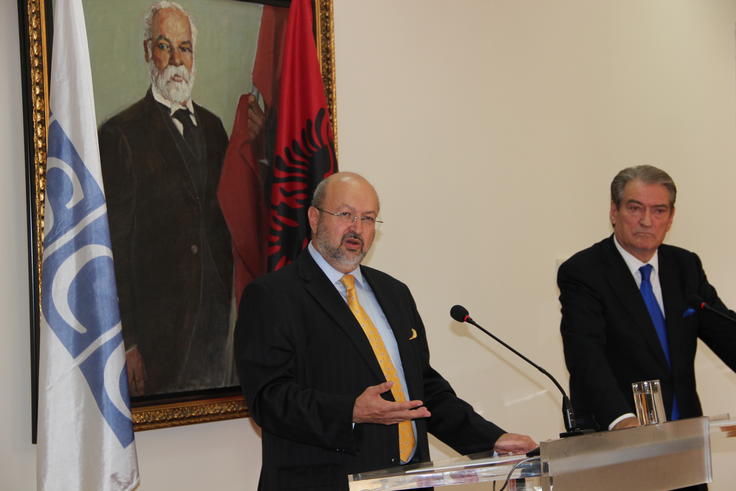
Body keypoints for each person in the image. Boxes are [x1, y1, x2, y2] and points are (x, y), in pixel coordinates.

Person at [235, 172, 537, 491]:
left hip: (409, 483)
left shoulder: (394, 293)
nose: (357, 228)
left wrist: (491, 440)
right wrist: (350, 411)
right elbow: (268, 399)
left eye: (368, 218)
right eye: (346, 214)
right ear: (314, 217)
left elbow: (422, 390)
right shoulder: (272, 296)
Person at [98, 1, 233, 396]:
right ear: (147, 51)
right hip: (156, 333)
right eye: (164, 46)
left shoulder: (214, 128)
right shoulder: (120, 135)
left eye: (184, 48)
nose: (176, 60)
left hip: (215, 322)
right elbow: (113, 248)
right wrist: (128, 341)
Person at [558, 165, 736, 436]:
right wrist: (622, 420)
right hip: (616, 435)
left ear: (671, 217)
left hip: (685, 434)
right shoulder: (584, 272)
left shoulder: (684, 265)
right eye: (635, 208)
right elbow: (586, 357)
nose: (647, 221)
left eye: (659, 210)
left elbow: (725, 332)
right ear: (614, 211)